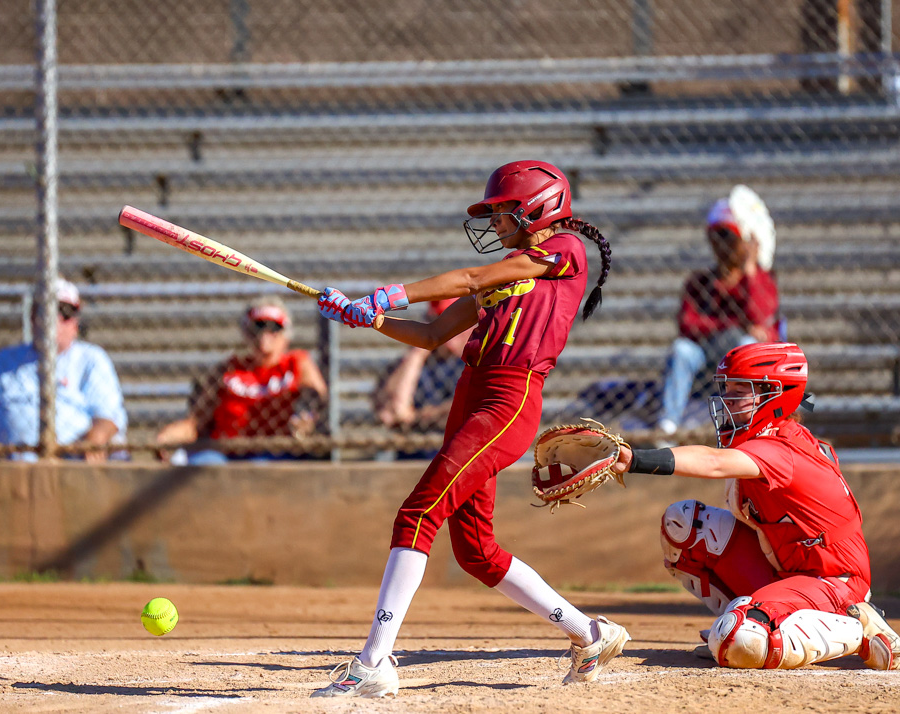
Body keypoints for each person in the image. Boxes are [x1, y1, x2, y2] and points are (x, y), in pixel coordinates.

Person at [312, 160, 629, 698]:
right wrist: (367, 317)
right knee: (476, 550)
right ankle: (590, 634)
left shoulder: (566, 250)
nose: (495, 223)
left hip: (509, 397)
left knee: (418, 512)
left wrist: (390, 294)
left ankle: (374, 662)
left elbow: (472, 278)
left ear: (538, 209)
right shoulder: (509, 271)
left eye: (503, 212)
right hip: (471, 392)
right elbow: (433, 334)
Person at [611, 341, 900, 671]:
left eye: (740, 393)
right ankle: (745, 618)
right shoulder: (767, 438)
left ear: (774, 396)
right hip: (788, 569)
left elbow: (712, 462)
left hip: (833, 580)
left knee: (740, 642)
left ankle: (859, 626)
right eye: (727, 391)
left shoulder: (781, 447)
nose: (727, 402)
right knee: (683, 525)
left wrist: (633, 459)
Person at [656, 185, 781, 440]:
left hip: (737, 353)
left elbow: (760, 319)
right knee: (682, 350)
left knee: (748, 343)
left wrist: (749, 269)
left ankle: (746, 423)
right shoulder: (700, 282)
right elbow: (688, 324)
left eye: (729, 236)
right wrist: (732, 325)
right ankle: (667, 426)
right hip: (706, 353)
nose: (723, 245)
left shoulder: (760, 281)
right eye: (717, 236)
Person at [155, 296, 327, 464]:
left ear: (286, 334)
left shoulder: (296, 364)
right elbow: (194, 423)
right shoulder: (229, 369)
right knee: (203, 465)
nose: (264, 336)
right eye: (257, 327)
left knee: (259, 467)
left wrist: (307, 421)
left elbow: (318, 399)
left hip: (273, 451)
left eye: (274, 328)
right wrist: (166, 437)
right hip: (224, 450)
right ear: (246, 333)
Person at [0, 277, 127, 462]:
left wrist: (95, 439)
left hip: (70, 465)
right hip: (7, 466)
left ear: (75, 324)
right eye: (47, 310)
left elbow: (109, 417)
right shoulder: (6, 360)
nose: (56, 318)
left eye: (65, 313)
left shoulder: (90, 360)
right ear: (33, 317)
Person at [373, 299, 472, 450]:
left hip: (459, 447)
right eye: (439, 321)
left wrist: (418, 417)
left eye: (455, 323)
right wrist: (418, 352)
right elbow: (390, 411)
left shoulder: (476, 363)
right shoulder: (412, 363)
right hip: (413, 449)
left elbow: (470, 410)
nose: (449, 330)